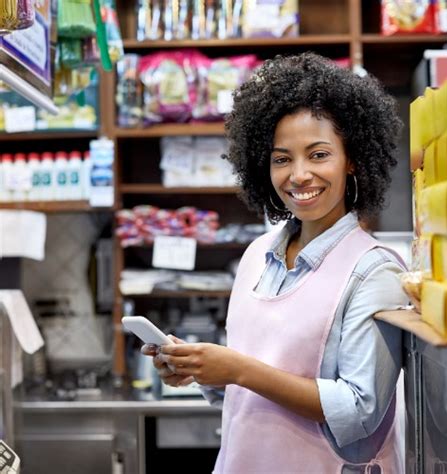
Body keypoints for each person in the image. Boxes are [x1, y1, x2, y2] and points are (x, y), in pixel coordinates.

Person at [142, 52, 408, 473]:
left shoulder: (376, 271)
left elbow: (359, 411)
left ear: (352, 159)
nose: (298, 175)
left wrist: (238, 369)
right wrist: (200, 369)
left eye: (318, 155)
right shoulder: (255, 257)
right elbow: (244, 389)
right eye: (282, 159)